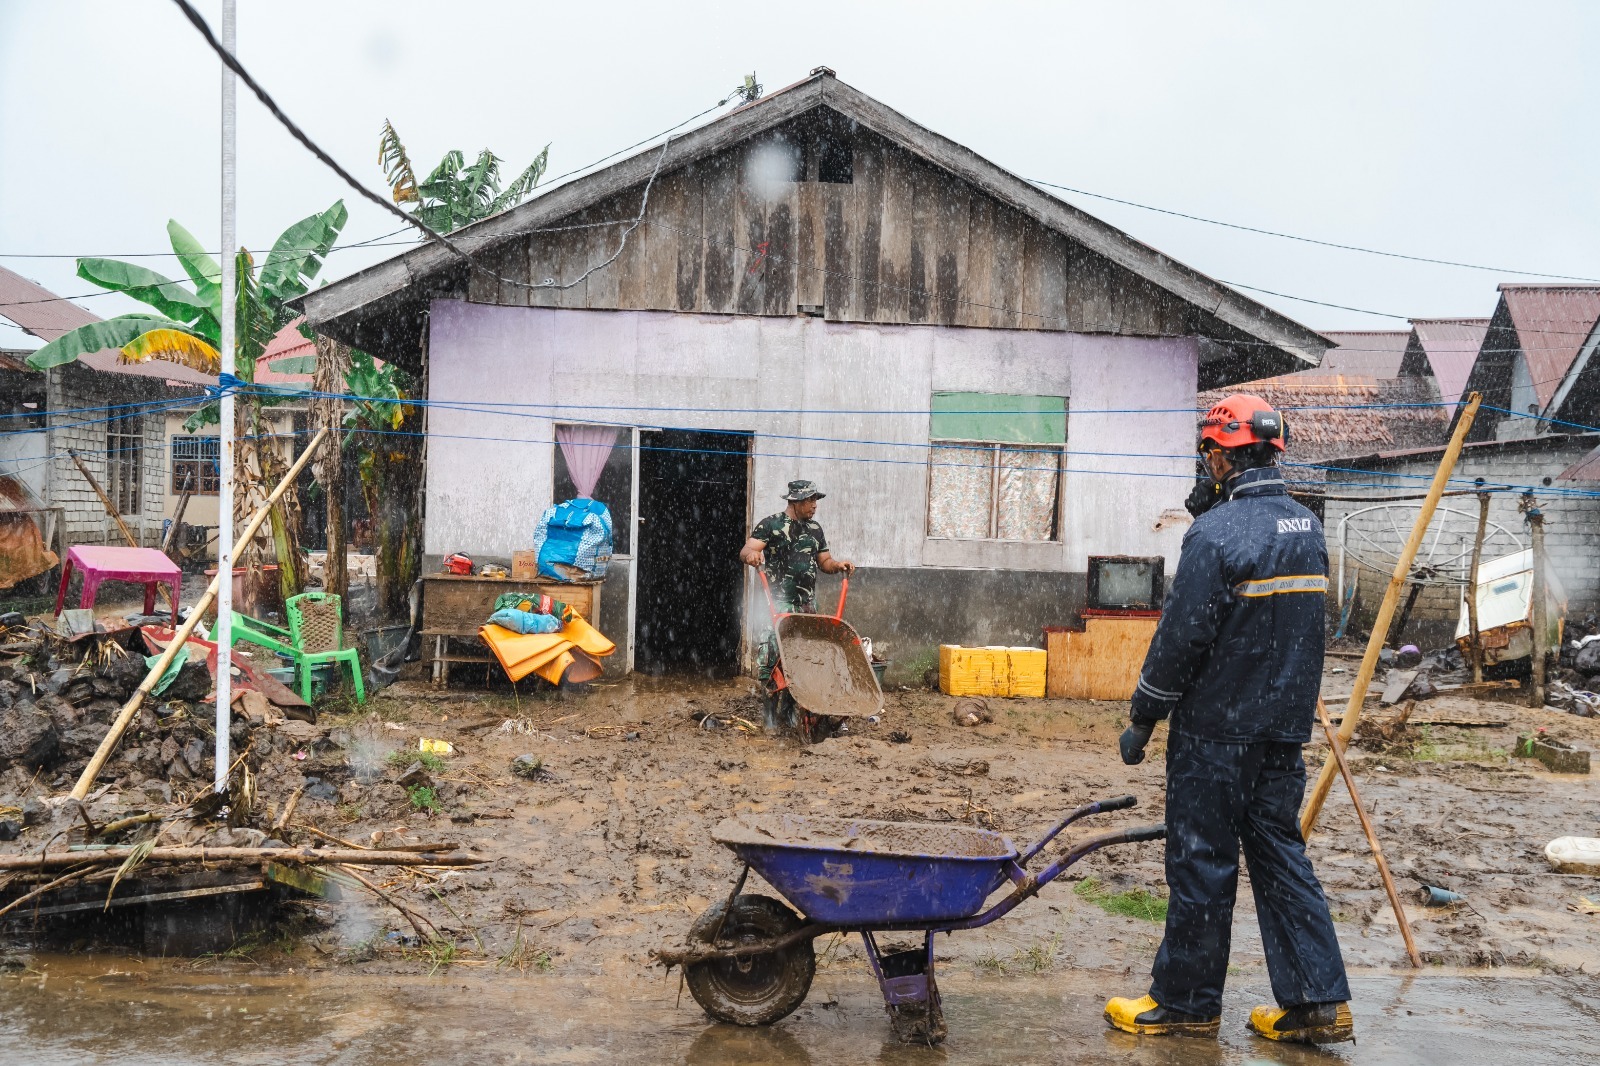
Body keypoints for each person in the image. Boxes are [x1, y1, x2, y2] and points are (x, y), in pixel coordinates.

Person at [1104, 395, 1354, 1045]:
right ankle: (1317, 1001)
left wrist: (1144, 715)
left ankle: (1186, 1002)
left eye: (1208, 453)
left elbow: (1182, 638)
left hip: (1215, 732)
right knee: (1279, 855)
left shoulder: (1214, 534)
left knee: (1201, 861)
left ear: (1219, 455)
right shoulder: (1307, 527)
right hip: (1281, 730)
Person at [739, 480, 855, 731]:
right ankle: (769, 716)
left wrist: (838, 566)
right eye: (809, 500)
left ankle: (789, 712)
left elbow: (824, 560)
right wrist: (753, 556)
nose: (814, 505)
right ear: (794, 501)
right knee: (772, 657)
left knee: (801, 659)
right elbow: (746, 549)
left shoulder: (815, 529)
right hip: (778, 603)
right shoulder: (771, 524)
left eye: (815, 500)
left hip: (806, 605)